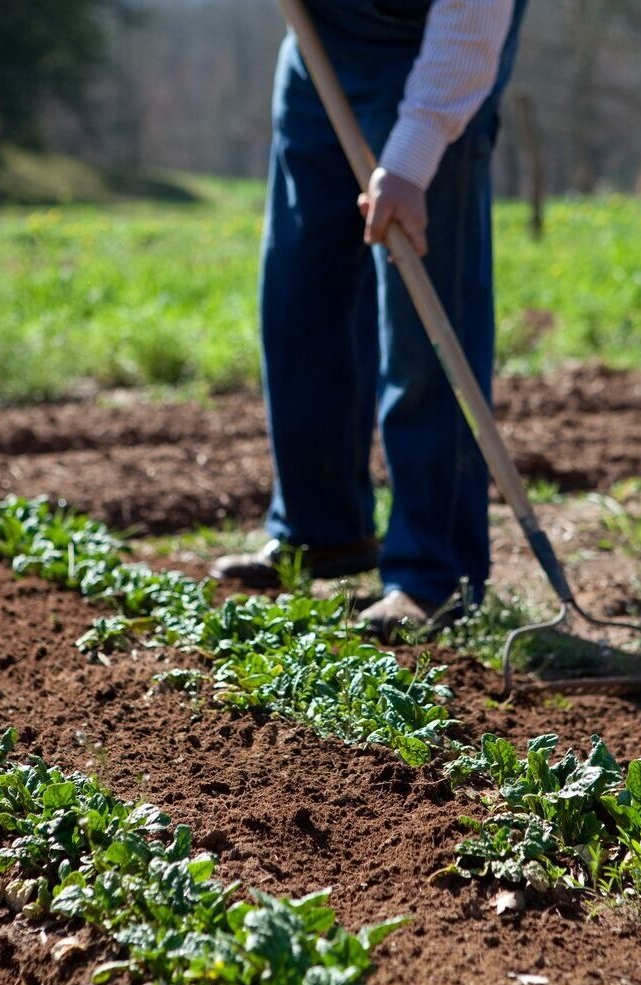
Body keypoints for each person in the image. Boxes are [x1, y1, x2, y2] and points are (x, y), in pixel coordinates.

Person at [213, 0, 529, 638]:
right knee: (301, 294)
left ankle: (435, 574)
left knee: (424, 323)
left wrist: (412, 158)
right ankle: (323, 530)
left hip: (434, 41)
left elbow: (472, 16)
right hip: (320, 33)